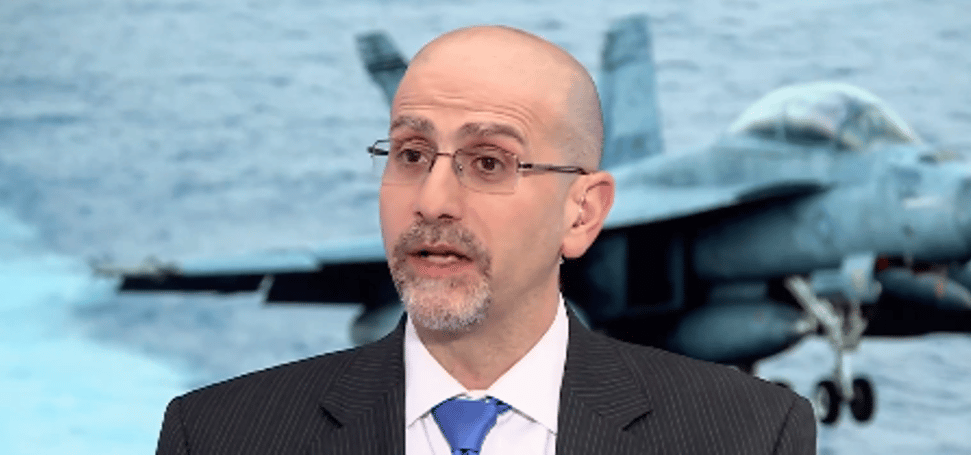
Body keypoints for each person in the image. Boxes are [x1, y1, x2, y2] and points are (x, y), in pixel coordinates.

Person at [155, 25, 816, 455]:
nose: (434, 199)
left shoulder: (759, 433)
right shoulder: (214, 435)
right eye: (410, 155)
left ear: (584, 213)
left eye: (491, 164)